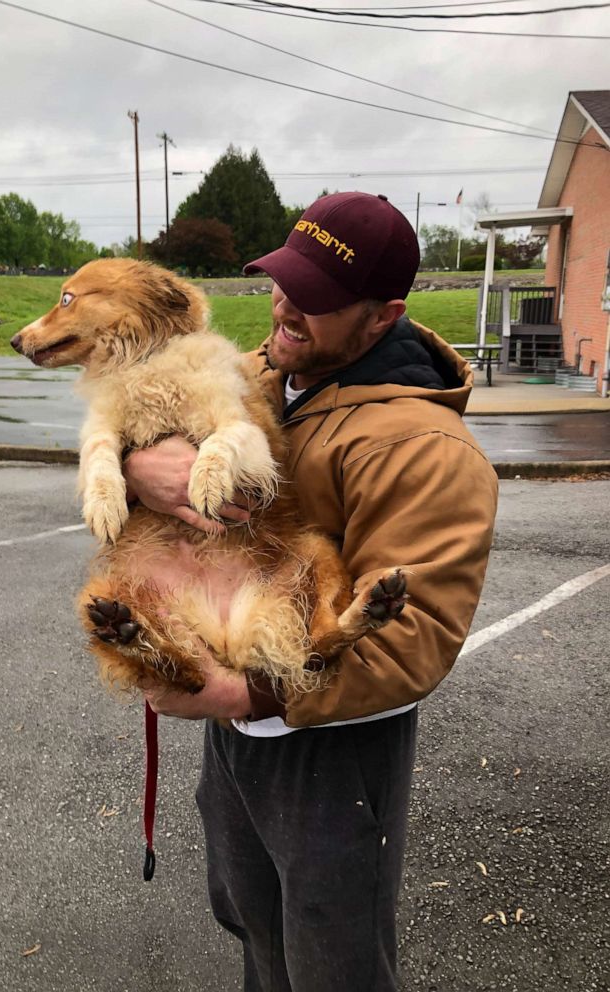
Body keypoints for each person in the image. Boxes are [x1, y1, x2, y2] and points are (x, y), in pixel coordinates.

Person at [123, 191, 498, 991]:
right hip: (237, 732)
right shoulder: (263, 374)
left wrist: (240, 689)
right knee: (252, 922)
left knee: (335, 962)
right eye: (283, 278)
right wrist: (137, 470)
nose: (286, 306)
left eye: (318, 298)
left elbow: (413, 634)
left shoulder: (422, 447)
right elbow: (137, 419)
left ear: (381, 315)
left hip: (333, 743)